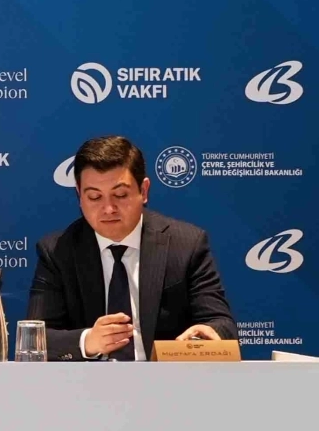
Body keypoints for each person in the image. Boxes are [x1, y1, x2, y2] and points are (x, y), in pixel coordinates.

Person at [27, 135, 237, 361]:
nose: (108, 208)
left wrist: (207, 333)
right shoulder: (57, 252)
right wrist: (87, 341)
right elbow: (35, 338)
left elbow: (222, 323)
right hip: (87, 381)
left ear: (143, 191)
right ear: (79, 195)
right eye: (95, 197)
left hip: (167, 379)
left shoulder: (186, 245)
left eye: (120, 195)